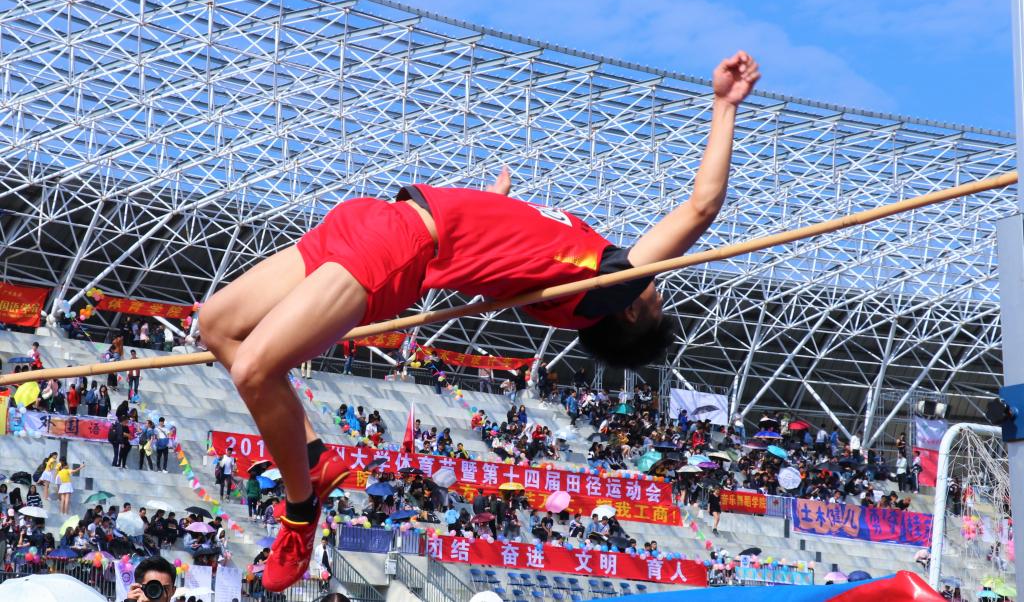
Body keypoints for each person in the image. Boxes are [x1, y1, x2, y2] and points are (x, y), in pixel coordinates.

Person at [199, 52, 760, 590]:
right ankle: (316, 457)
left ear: (631, 309)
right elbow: (503, 252)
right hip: (370, 218)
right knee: (216, 324)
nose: (654, 282)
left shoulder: (610, 284)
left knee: (252, 369)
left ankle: (301, 508)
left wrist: (725, 105)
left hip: (397, 244)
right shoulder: (574, 267)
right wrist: (488, 207)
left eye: (653, 294)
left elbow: (701, 208)